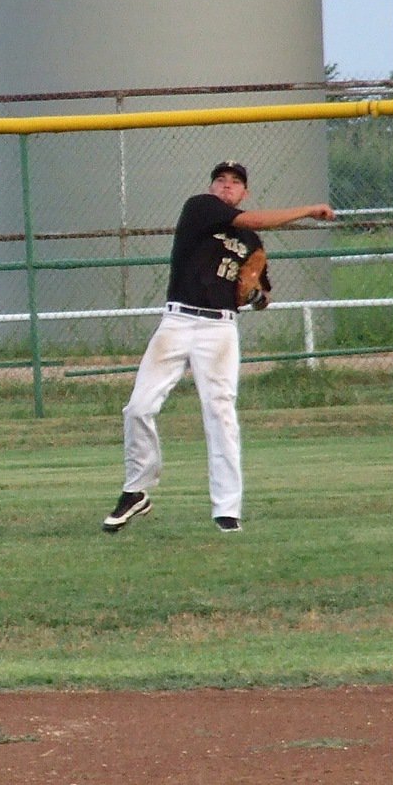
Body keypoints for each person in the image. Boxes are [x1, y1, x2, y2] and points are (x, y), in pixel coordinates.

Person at [102, 161, 334, 535]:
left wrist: (256, 295)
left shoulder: (251, 243)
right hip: (178, 321)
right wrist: (308, 210)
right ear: (212, 187)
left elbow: (263, 297)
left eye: (235, 182)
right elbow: (253, 220)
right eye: (221, 180)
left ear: (244, 192)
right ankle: (136, 490)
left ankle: (227, 510)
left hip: (220, 329)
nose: (227, 186)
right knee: (139, 407)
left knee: (221, 414)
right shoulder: (201, 208)